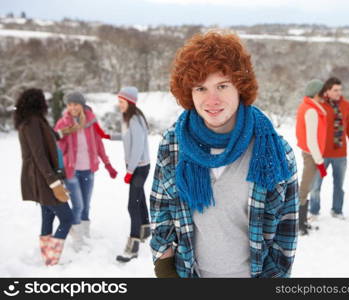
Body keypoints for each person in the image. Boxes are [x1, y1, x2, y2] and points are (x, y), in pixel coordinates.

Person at [150, 31, 298, 278]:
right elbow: (161, 210)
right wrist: (166, 270)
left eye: (222, 86)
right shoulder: (174, 143)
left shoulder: (275, 151)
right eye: (201, 88)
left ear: (240, 86)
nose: (212, 100)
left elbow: (286, 233)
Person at [15, 88, 73, 266]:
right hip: (42, 178)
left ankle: (49, 258)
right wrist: (54, 184)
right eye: (43, 100)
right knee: (67, 218)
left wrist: (65, 132)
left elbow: (49, 137)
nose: (46, 103)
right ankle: (51, 258)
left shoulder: (34, 120)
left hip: (41, 177)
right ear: (37, 102)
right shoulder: (32, 122)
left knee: (47, 215)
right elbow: (38, 154)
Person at [54, 92, 118, 249]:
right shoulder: (63, 124)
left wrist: (107, 164)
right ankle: (77, 240)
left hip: (88, 170)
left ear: (82, 105)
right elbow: (57, 150)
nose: (72, 107)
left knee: (86, 205)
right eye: (69, 104)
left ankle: (84, 234)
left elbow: (99, 144)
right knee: (78, 205)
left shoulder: (90, 122)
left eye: (75, 104)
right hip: (71, 171)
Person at [102, 87, 151, 262]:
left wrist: (130, 172)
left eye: (122, 101)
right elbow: (126, 137)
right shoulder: (128, 118)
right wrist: (108, 136)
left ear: (130, 102)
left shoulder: (135, 120)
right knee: (140, 198)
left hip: (139, 167)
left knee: (132, 204)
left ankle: (133, 246)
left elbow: (137, 146)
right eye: (119, 101)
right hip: (137, 167)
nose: (119, 104)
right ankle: (145, 229)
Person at [309, 77, 349, 220]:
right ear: (327, 91)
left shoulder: (347, 105)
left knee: (339, 185)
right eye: (335, 90)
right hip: (322, 154)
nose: (339, 93)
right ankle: (314, 211)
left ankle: (337, 210)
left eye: (340, 90)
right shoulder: (320, 105)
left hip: (340, 154)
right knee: (316, 185)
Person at [295, 79, 327, 235]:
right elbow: (311, 140)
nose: (325, 95)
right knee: (304, 189)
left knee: (305, 188)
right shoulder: (312, 111)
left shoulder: (309, 107)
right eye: (323, 92)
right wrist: (320, 162)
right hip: (311, 155)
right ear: (316, 93)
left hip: (310, 153)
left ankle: (303, 222)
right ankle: (298, 224)